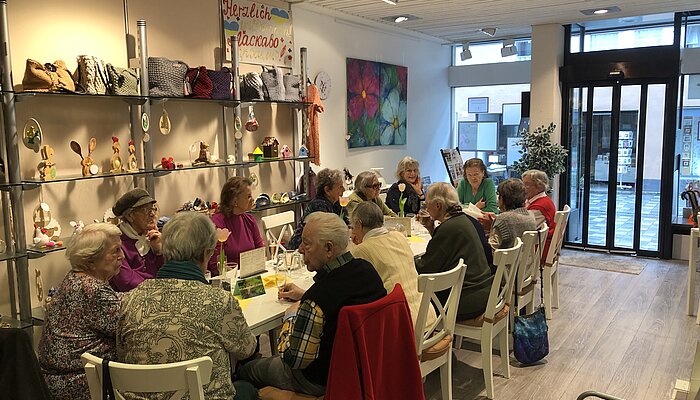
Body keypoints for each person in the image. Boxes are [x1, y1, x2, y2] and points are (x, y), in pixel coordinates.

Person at [240, 213, 386, 396]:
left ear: (329, 249)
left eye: (306, 243)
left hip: (320, 379)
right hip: (365, 367)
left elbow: (295, 360)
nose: (300, 249)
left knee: (247, 369)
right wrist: (304, 296)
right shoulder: (368, 270)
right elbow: (339, 299)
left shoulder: (318, 298)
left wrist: (290, 317)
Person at [117, 212, 257, 400]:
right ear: (207, 252)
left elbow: (122, 352)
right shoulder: (219, 301)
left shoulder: (131, 299)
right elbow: (247, 349)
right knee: (249, 388)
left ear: (165, 249)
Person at [38, 223, 124, 400]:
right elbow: (127, 328)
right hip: (80, 385)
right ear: (91, 259)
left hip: (57, 380)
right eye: (115, 251)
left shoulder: (75, 277)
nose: (122, 256)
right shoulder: (93, 289)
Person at [349, 201, 435, 331]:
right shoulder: (399, 237)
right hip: (428, 315)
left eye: (352, 227)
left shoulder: (361, 250)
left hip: (403, 325)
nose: (352, 231)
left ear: (359, 225)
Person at [416, 182, 493, 321]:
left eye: (427, 204)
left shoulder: (448, 228)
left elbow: (426, 267)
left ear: (438, 205)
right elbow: (447, 250)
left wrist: (410, 259)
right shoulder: (463, 219)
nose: (426, 208)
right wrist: (432, 230)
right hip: (484, 290)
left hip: (467, 299)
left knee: (416, 299)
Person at [110, 188, 164, 292]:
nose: (152, 214)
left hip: (156, 295)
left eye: (153, 209)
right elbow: (127, 283)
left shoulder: (153, 236)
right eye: (145, 210)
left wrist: (159, 252)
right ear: (130, 216)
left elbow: (167, 274)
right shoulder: (116, 243)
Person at [209, 176, 264, 275]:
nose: (252, 199)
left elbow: (260, 252)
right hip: (229, 278)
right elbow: (215, 264)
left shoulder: (250, 220)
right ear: (235, 201)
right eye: (248, 196)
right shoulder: (217, 224)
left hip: (250, 275)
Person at [288, 168, 347, 250]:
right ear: (327, 190)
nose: (343, 190)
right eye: (340, 187)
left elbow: (346, 224)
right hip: (301, 250)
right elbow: (330, 234)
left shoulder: (335, 203)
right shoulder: (319, 206)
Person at [488, 178, 537, 251]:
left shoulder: (503, 219)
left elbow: (492, 249)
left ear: (502, 199)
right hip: (524, 260)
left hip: (503, 261)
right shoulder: (530, 215)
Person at [523, 169, 557, 260]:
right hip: (539, 244)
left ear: (540, 187)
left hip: (538, 250)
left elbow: (524, 229)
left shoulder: (539, 207)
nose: (523, 187)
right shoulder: (538, 200)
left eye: (527, 184)